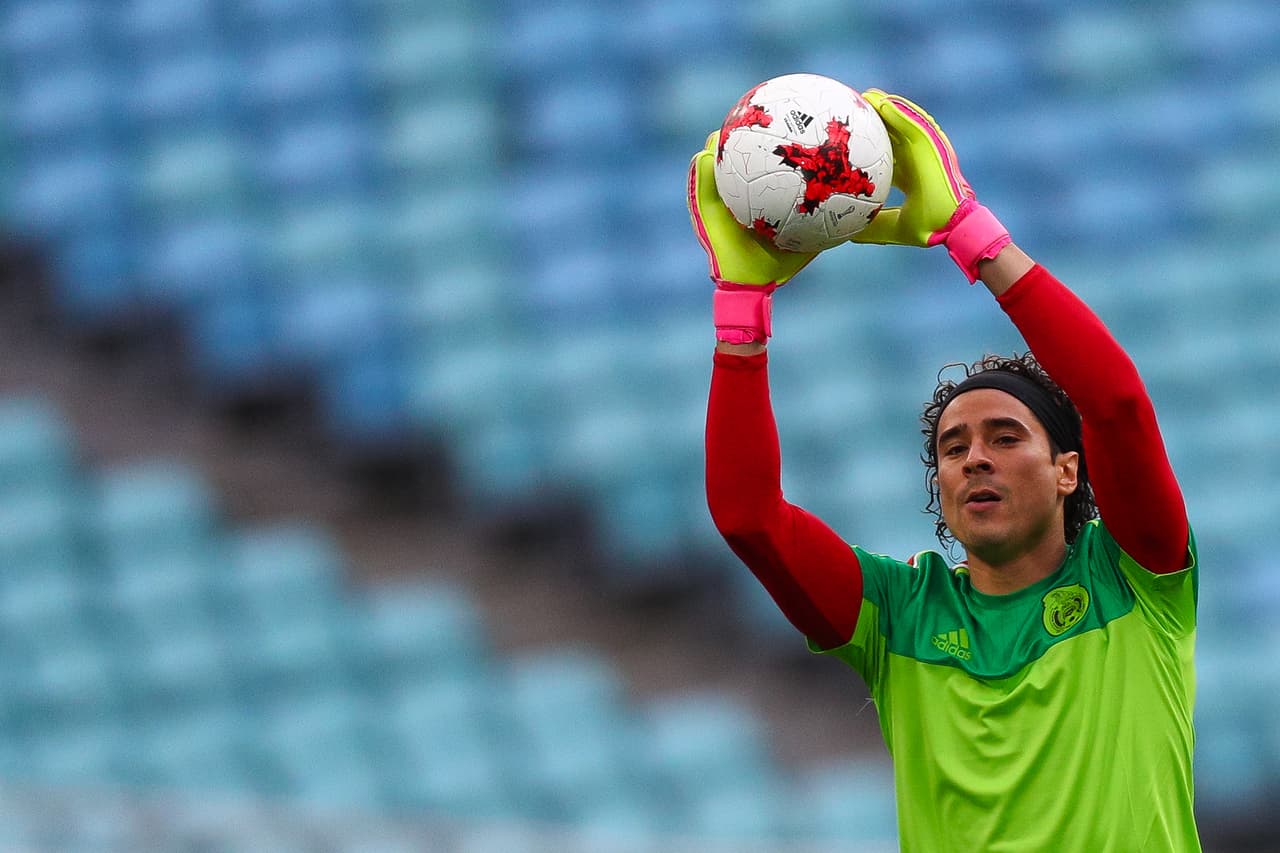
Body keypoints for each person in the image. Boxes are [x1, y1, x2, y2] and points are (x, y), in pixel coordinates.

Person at [690, 90, 1199, 852]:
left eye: (1004, 436)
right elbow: (747, 517)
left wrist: (973, 236)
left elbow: (1117, 405)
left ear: (1068, 471)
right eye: (953, 449)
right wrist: (741, 308)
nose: (975, 458)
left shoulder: (1135, 576)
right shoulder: (899, 612)